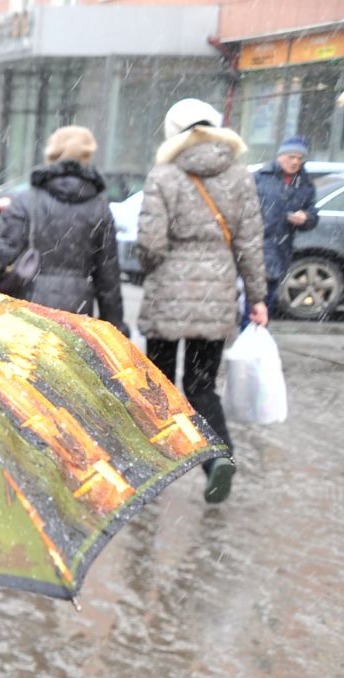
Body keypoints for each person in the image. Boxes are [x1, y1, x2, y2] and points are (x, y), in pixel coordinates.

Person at [136, 98, 267, 505]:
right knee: (201, 387)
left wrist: (152, 262)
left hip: (168, 297)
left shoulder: (164, 175)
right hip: (217, 294)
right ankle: (217, 460)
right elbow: (250, 242)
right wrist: (258, 297)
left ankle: (151, 470)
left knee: (157, 386)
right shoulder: (240, 176)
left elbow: (151, 244)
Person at [0, 125, 125, 331]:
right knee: (67, 360)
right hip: (78, 307)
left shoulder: (26, 200)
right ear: (87, 157)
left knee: (29, 359)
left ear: (52, 155)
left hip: (29, 300)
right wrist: (115, 325)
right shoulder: (100, 208)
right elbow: (108, 277)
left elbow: (2, 255)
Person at [254, 135, 319, 315]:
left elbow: (313, 214)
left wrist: (305, 217)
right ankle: (248, 337)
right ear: (280, 156)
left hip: (280, 250)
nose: (295, 162)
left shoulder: (305, 184)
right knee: (251, 304)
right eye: (291, 157)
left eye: (300, 158)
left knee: (267, 304)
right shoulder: (260, 178)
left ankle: (258, 338)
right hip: (255, 248)